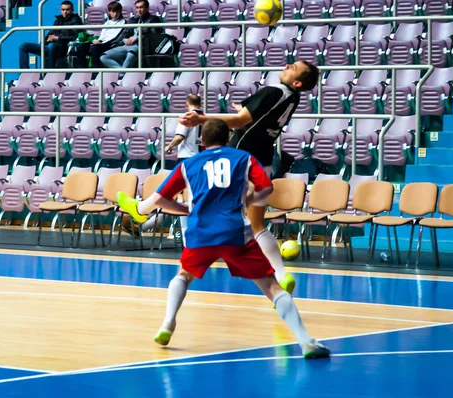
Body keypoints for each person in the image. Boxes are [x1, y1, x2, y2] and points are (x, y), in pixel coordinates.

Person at [116, 120, 330, 359]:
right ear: (228, 137)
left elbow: (160, 199)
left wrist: (184, 209)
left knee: (183, 275)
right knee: (272, 288)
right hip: (234, 231)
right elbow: (267, 188)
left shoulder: (189, 164)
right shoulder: (243, 158)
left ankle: (168, 323)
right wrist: (248, 201)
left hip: (201, 232)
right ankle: (305, 341)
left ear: (202, 141)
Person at [178, 61, 320, 297]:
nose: (286, 65)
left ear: (296, 82)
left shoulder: (273, 91)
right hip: (261, 161)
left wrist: (200, 120)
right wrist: (245, 110)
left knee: (207, 206)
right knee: (257, 226)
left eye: (292, 67)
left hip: (241, 159)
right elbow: (254, 117)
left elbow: (240, 121)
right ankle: (282, 274)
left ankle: (190, 257)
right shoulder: (292, 98)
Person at [163, 94, 203, 238]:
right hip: (201, 159)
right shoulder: (204, 117)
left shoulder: (187, 116)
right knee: (194, 195)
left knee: (178, 195)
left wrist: (169, 146)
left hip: (186, 159)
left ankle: (185, 230)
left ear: (187, 104)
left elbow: (180, 136)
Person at [99, 0, 162, 71]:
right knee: (103, 57)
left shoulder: (154, 19)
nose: (139, 10)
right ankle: (122, 72)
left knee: (131, 54)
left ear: (147, 8)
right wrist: (124, 39)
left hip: (142, 45)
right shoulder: (133, 19)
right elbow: (125, 33)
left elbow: (154, 36)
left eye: (141, 7)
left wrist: (137, 38)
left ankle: (121, 75)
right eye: (137, 7)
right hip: (127, 45)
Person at [18, 1, 82, 69]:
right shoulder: (58, 20)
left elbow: (75, 37)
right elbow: (50, 33)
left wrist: (58, 38)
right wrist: (46, 40)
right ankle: (25, 72)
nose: (65, 12)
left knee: (52, 46)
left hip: (64, 47)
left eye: (67, 9)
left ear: (72, 10)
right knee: (23, 46)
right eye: (63, 10)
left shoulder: (76, 20)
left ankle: (50, 72)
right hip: (49, 46)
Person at [73, 1, 126, 68]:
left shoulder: (123, 23)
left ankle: (95, 69)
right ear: (109, 12)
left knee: (95, 48)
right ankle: (82, 68)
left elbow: (116, 37)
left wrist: (100, 42)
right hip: (101, 42)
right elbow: (102, 35)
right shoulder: (107, 23)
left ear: (120, 11)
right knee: (81, 46)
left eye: (117, 12)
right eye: (112, 12)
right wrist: (97, 40)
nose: (115, 14)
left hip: (111, 44)